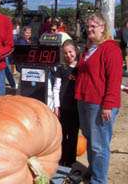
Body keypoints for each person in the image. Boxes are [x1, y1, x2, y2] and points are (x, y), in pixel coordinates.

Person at [75, 12, 123, 184]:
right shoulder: (89, 48)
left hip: (100, 103)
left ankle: (99, 180)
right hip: (86, 100)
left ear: (103, 28)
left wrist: (108, 105)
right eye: (88, 26)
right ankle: (93, 171)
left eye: (93, 26)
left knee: (99, 145)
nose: (90, 29)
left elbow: (115, 79)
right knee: (90, 141)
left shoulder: (111, 49)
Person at [52, 40, 79, 168]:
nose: (68, 55)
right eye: (66, 53)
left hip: (77, 108)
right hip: (63, 107)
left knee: (73, 135)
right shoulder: (61, 68)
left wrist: (121, 87)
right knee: (62, 134)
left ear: (75, 51)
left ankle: (71, 161)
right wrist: (56, 106)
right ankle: (62, 159)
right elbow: (56, 88)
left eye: (71, 52)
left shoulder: (81, 67)